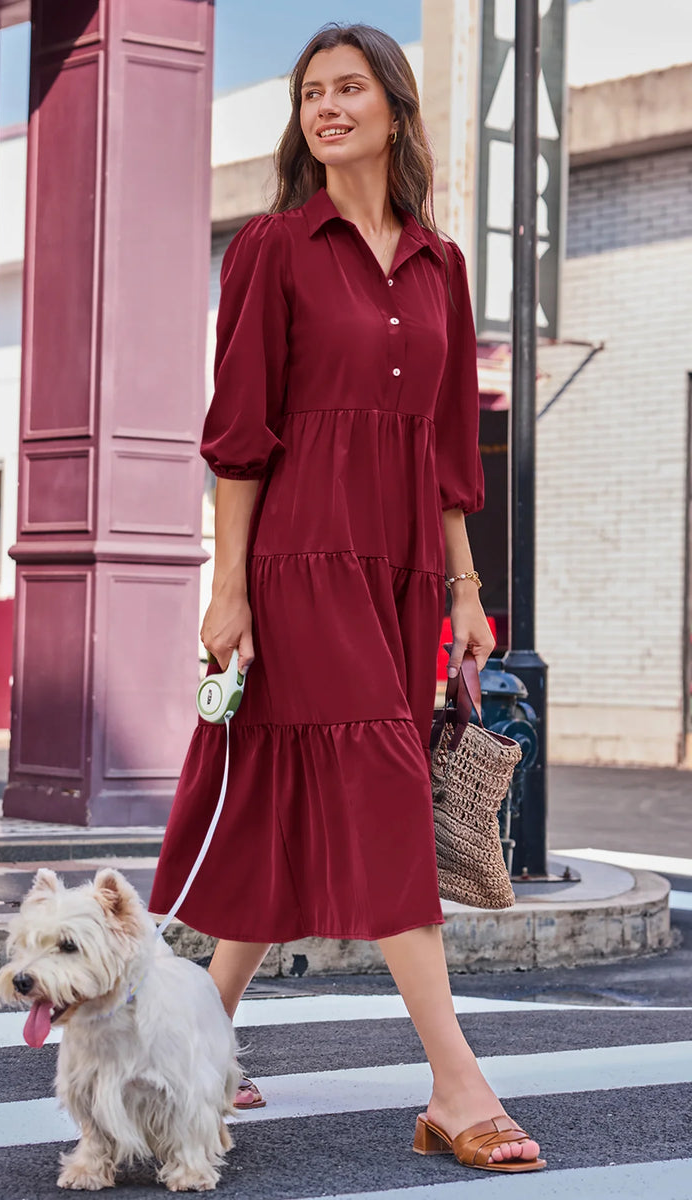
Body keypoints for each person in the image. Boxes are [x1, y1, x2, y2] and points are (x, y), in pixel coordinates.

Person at [150, 22, 545, 1175]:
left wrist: (467, 590)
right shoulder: (273, 246)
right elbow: (237, 435)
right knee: (377, 785)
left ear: (393, 109)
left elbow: (442, 449)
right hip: (300, 557)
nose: (326, 107)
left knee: (280, 800)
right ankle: (455, 1083)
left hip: (399, 570)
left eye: (348, 88)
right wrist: (229, 586)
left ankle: (196, 1054)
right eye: (309, 92)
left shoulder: (438, 262)